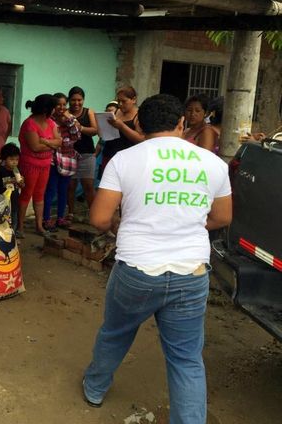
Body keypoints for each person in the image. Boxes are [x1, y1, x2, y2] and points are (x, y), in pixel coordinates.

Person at [82, 94, 232, 424]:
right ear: (181, 122)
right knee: (186, 358)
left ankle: (95, 388)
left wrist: (119, 224)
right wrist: (186, 223)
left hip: (136, 269)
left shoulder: (124, 160)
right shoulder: (213, 164)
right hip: (191, 272)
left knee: (115, 333)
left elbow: (99, 218)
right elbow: (222, 217)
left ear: (139, 124)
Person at [17, 94, 61, 237]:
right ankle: (20, 227)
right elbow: (35, 147)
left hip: (45, 164)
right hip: (30, 165)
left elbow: (59, 142)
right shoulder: (29, 124)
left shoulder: (50, 122)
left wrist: (45, 141)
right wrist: (51, 144)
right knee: (26, 194)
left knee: (39, 195)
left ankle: (39, 226)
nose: (55, 110)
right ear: (46, 109)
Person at [43, 93, 80, 231]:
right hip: (53, 160)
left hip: (68, 160)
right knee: (51, 190)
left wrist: (69, 120)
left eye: (64, 104)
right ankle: (46, 219)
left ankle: (60, 218)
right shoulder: (48, 120)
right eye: (59, 104)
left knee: (63, 190)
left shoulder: (71, 119)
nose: (62, 107)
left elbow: (76, 136)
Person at [67, 86, 98, 221]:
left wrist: (81, 128)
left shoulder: (89, 112)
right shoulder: (65, 113)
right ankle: (70, 214)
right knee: (70, 186)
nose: (76, 103)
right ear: (69, 100)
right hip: (69, 154)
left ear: (83, 100)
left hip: (87, 154)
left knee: (88, 186)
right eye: (73, 100)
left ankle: (94, 215)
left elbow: (95, 130)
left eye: (79, 100)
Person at [0, 143, 24, 235]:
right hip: (3, 200)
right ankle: (3, 233)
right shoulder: (2, 170)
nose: (14, 162)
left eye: (17, 160)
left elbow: (22, 185)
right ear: (5, 159)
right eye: (11, 159)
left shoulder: (17, 171)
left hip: (14, 198)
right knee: (3, 217)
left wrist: (21, 182)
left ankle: (13, 234)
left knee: (14, 216)